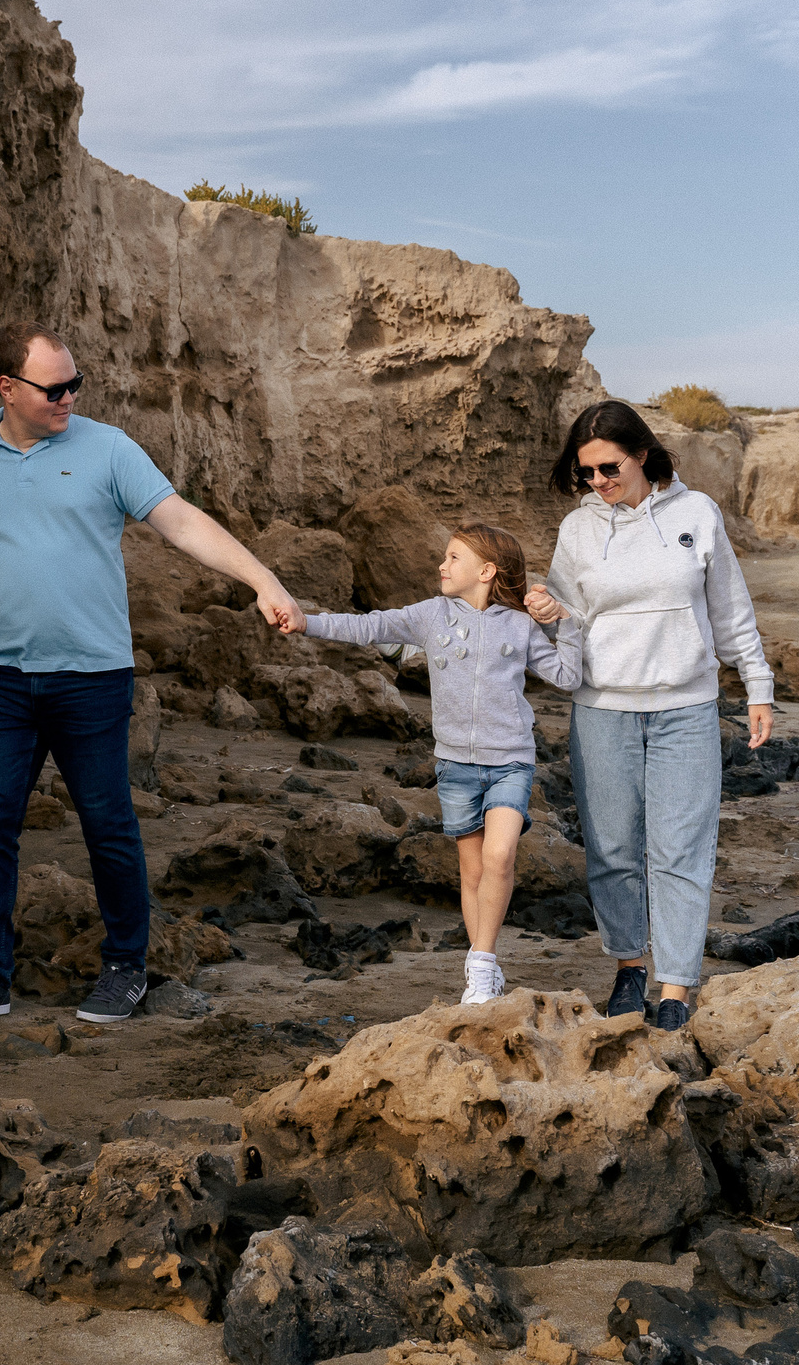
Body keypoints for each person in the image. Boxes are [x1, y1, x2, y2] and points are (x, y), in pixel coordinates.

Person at [0, 322, 300, 1027]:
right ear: (7, 387)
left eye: (75, 383)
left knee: (108, 823)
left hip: (93, 675)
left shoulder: (108, 448)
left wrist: (260, 577)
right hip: (3, 677)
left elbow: (179, 521)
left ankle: (126, 968)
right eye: (53, 388)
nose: (69, 397)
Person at [525, 400, 772, 1034]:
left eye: (608, 468)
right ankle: (630, 966)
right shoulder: (578, 529)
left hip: (686, 707)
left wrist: (758, 688)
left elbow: (730, 611)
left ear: (640, 454)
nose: (598, 483)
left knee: (681, 850)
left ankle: (677, 985)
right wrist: (545, 613)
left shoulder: (696, 514)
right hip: (601, 708)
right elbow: (566, 622)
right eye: (585, 474)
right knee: (610, 850)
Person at [283, 523, 578, 1003]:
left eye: (454, 557)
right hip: (455, 767)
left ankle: (480, 966)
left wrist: (563, 622)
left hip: (511, 763)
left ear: (486, 570)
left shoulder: (521, 624)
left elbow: (566, 675)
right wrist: (307, 621)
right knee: (471, 872)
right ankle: (483, 966)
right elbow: (369, 627)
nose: (442, 565)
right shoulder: (429, 616)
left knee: (500, 857)